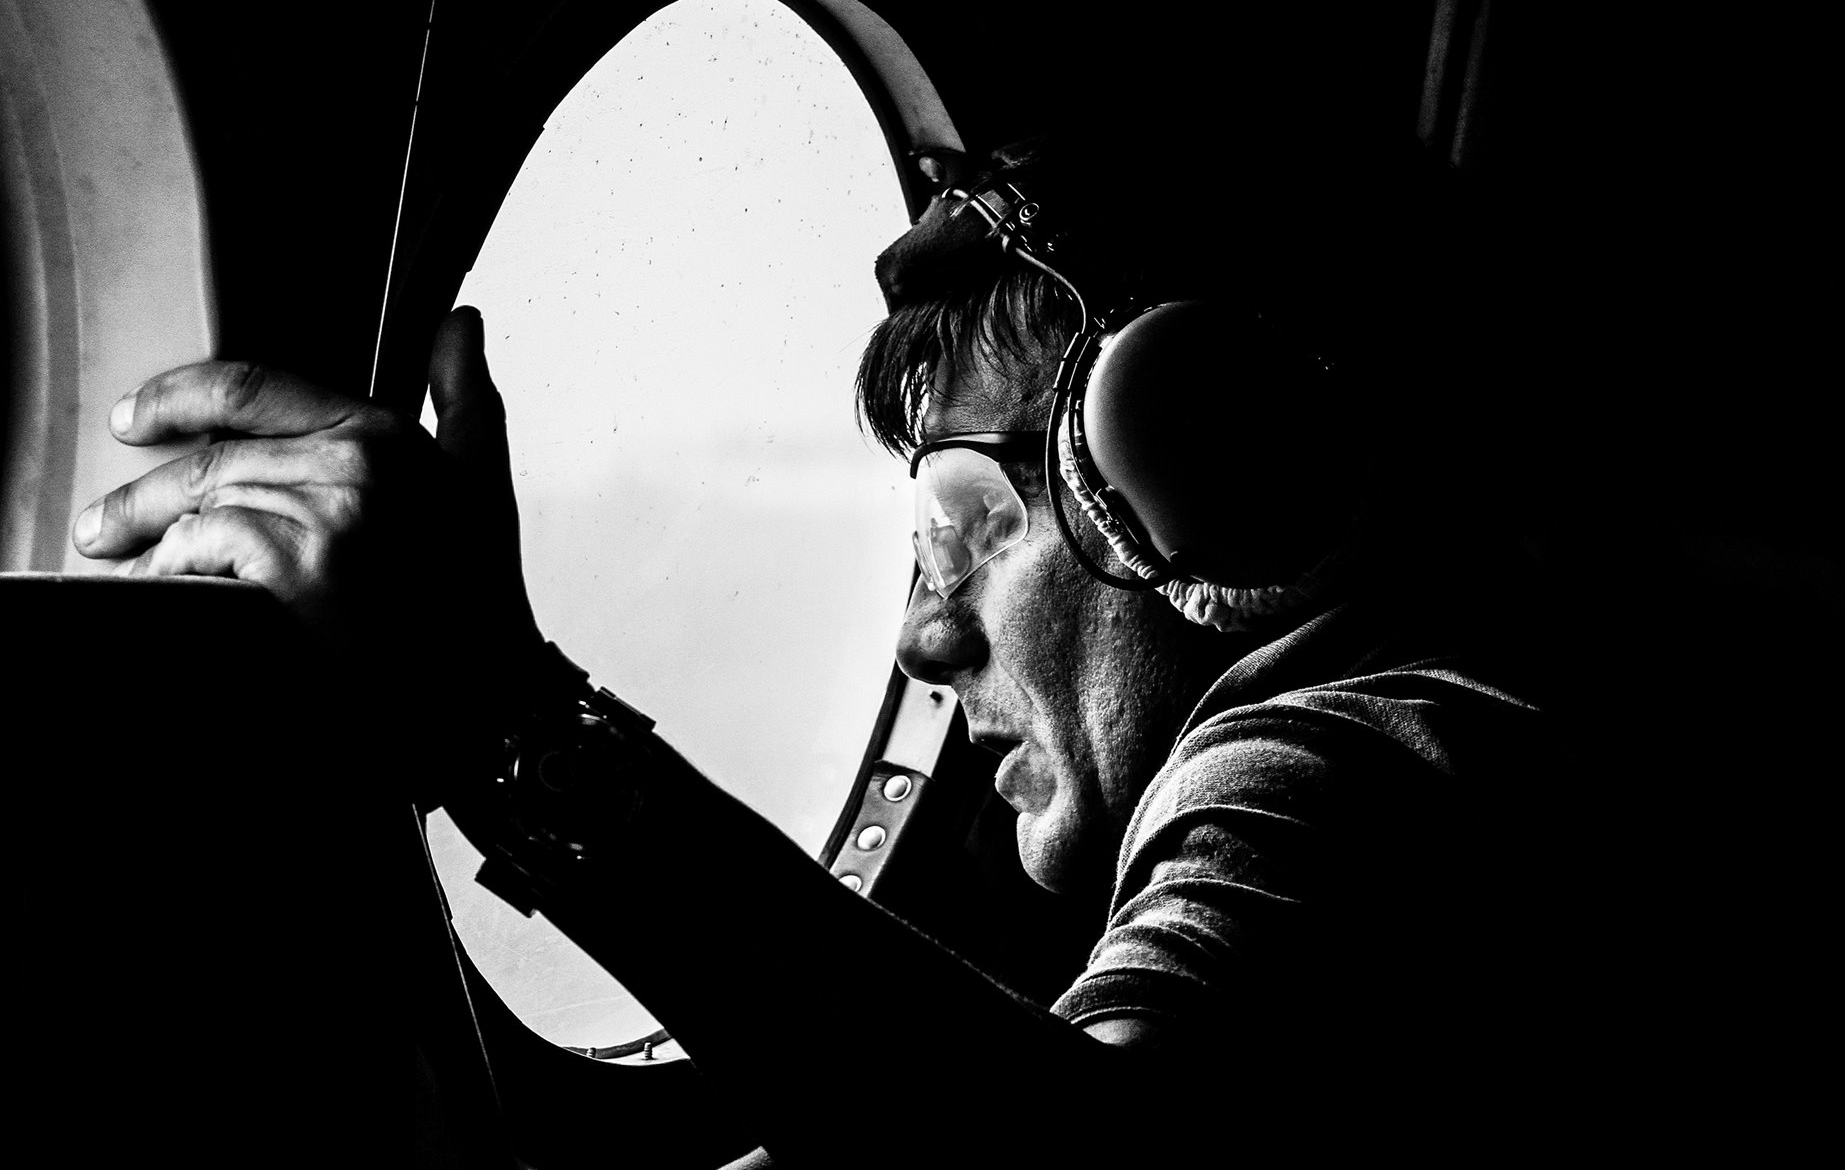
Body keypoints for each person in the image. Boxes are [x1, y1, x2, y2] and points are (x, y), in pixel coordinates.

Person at [73, 136, 1562, 1163]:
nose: (924, 634)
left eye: (969, 516)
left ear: (1214, 469)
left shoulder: (1364, 755)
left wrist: (493, 711)